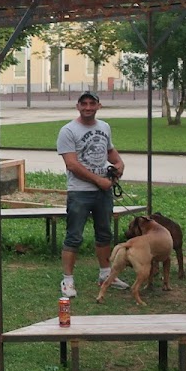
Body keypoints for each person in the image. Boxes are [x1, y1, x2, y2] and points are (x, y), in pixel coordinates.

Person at [57, 91, 128, 298]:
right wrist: (99, 181)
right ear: (77, 106)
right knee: (74, 236)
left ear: (99, 106)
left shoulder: (104, 127)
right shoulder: (68, 130)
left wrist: (119, 164)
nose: (88, 107)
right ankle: (67, 280)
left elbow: (110, 152)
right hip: (80, 192)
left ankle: (106, 274)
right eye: (84, 104)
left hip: (103, 192)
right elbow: (71, 164)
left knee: (104, 233)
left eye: (92, 103)